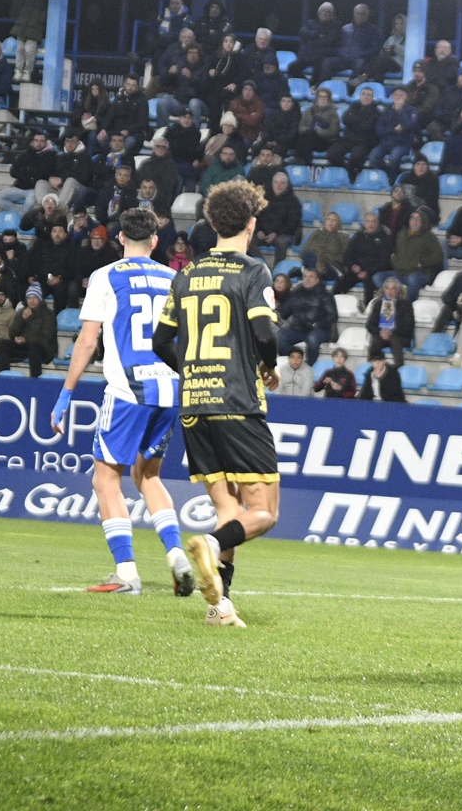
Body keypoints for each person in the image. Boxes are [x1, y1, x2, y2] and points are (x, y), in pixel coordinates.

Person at [153, 180, 283, 630]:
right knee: (263, 512)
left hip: (194, 405)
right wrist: (268, 366)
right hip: (237, 401)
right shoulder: (253, 271)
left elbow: (160, 341)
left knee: (230, 511)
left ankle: (219, 608)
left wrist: (191, 370)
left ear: (211, 222)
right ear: (252, 223)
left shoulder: (186, 274)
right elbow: (265, 333)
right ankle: (208, 544)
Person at [47, 207, 194, 596]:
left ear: (121, 238)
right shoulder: (175, 278)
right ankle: (177, 556)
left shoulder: (106, 275)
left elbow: (87, 340)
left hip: (130, 390)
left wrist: (65, 393)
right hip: (171, 388)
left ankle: (127, 573)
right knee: (148, 476)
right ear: (156, 241)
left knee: (105, 478)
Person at [0, 283, 57, 377]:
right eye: (29, 298)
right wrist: (22, 319)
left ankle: (35, 379)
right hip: (25, 346)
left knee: (34, 347)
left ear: (40, 299)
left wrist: (26, 339)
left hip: (44, 348)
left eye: (34, 297)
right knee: (2, 344)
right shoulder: (22, 312)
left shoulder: (48, 314)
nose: (31, 300)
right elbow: (12, 333)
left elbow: (45, 337)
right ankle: (4, 376)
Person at [334, 211, 393, 305]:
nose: (370, 224)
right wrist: (353, 266)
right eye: (368, 221)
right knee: (341, 282)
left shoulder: (384, 238)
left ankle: (367, 308)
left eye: (373, 221)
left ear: (377, 223)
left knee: (369, 284)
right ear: (364, 223)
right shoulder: (358, 236)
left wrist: (368, 271)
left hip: (373, 271)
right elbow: (347, 255)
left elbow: (384, 262)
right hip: (357, 270)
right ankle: (334, 304)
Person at [278, 267, 338, 358]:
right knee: (280, 337)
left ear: (317, 280)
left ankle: (310, 364)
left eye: (311, 277)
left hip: (320, 330)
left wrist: (317, 324)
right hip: (298, 329)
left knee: (312, 339)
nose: (307, 279)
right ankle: (294, 360)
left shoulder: (326, 294)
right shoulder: (295, 293)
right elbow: (284, 313)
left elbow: (333, 316)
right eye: (305, 276)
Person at [384, 208, 442, 297]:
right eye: (412, 218)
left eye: (418, 219)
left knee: (412, 279)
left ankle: (408, 304)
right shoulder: (401, 234)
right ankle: (395, 298)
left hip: (419, 273)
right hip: (400, 272)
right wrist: (394, 260)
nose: (415, 221)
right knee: (378, 277)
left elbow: (438, 255)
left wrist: (422, 263)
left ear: (423, 222)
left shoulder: (429, 237)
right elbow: (394, 250)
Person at [365, 274, 414, 366]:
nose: (390, 291)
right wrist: (381, 332)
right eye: (387, 288)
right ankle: (372, 367)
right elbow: (370, 325)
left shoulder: (406, 304)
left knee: (395, 340)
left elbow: (408, 325)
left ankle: (399, 368)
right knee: (375, 341)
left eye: (393, 289)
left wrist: (391, 332)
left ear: (398, 291)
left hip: (400, 336)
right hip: (381, 335)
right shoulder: (378, 304)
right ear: (384, 290)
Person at [370, 86, 419, 176]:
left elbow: (409, 126)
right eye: (396, 95)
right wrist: (393, 130)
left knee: (394, 157)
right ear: (392, 96)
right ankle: (388, 174)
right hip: (386, 143)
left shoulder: (412, 110)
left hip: (403, 143)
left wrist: (400, 110)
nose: (398, 97)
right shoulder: (386, 110)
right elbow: (378, 129)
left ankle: (394, 177)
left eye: (401, 95)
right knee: (373, 157)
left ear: (406, 96)